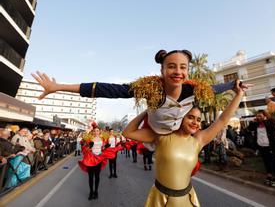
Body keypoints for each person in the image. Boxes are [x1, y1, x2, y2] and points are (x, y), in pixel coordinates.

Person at [31, 49, 250, 137]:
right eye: (171, 66)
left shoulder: (196, 89)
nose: (178, 71)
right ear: (162, 70)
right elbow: (107, 89)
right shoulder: (150, 88)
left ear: (188, 71)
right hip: (153, 131)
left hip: (175, 132)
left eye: (183, 67)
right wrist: (57, 87)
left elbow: (216, 89)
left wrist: (234, 86)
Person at [122, 81, 244, 206]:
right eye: (190, 117)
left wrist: (239, 94)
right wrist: (148, 111)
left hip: (188, 200)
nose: (195, 122)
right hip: (160, 201)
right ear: (180, 117)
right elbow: (128, 132)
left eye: (198, 120)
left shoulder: (198, 140)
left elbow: (223, 120)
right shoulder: (161, 135)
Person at [78, 125, 118, 200]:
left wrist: (106, 147)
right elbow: (84, 150)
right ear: (93, 132)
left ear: (99, 132)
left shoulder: (102, 139)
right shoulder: (89, 139)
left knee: (97, 176)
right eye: (95, 131)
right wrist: (89, 146)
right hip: (91, 158)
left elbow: (102, 148)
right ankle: (91, 192)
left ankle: (96, 191)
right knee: (90, 177)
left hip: (99, 158)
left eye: (97, 131)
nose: (96, 132)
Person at [248, 110, 275, 187]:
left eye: (260, 116)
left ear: (265, 115)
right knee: (266, 162)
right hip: (261, 146)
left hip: (270, 146)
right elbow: (249, 128)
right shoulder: (257, 124)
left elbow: (272, 128)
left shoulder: (271, 121)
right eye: (257, 116)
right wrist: (252, 122)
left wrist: (265, 121)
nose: (258, 117)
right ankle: (269, 176)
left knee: (274, 162)